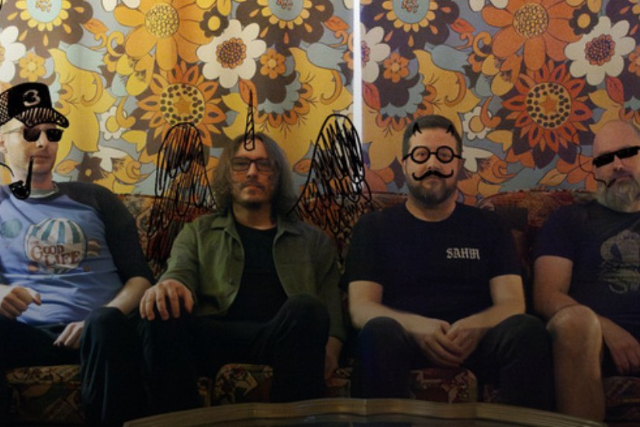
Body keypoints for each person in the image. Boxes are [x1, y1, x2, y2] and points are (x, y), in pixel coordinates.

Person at [342, 114, 554, 410]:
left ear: (459, 164)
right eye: (421, 155)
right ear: (405, 164)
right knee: (377, 332)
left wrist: (476, 326)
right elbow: (361, 308)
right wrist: (417, 327)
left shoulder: (489, 225)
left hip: (478, 342)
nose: (433, 164)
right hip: (401, 340)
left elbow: (512, 303)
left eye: (444, 155)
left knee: (527, 330)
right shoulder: (374, 227)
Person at [139, 133, 345, 414]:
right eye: (241, 164)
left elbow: (331, 311)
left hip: (277, 338)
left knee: (307, 307)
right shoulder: (199, 231)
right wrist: (169, 284)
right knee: (161, 307)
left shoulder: (313, 240)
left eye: (263, 164)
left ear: (277, 175)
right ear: (228, 174)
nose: (252, 172)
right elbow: (179, 272)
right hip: (211, 336)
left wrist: (331, 348)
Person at [0, 82, 153, 427]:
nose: (43, 142)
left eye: (51, 133)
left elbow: (141, 278)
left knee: (106, 324)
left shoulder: (96, 199)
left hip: (103, 334)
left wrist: (104, 316)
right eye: (30, 133)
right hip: (28, 335)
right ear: (2, 141)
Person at [533, 120, 640, 421]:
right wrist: (606, 328)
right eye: (605, 159)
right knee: (576, 323)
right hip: (593, 342)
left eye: (627, 153)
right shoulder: (570, 220)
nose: (617, 165)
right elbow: (546, 295)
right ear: (595, 171)